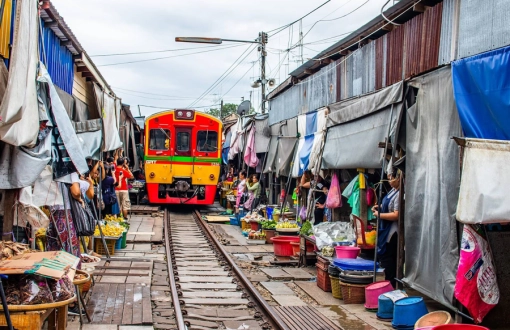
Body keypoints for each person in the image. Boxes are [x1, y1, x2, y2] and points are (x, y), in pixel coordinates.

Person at [371, 171, 401, 288]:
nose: (389, 181)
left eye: (391, 178)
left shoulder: (400, 194)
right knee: (385, 256)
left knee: (388, 258)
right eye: (388, 178)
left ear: (398, 178)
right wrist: (379, 207)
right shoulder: (393, 191)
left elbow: (396, 214)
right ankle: (389, 282)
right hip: (385, 227)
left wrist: (379, 214)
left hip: (393, 230)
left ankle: (391, 284)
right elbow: (387, 205)